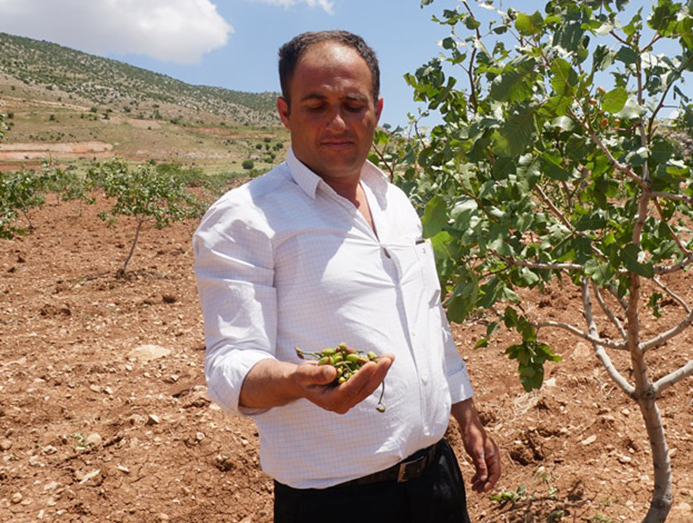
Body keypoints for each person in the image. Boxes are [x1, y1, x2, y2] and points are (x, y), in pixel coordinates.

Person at [193, 30, 501, 522]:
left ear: (376, 108)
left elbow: (427, 318)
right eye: (315, 105)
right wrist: (296, 381)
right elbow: (230, 363)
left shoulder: (395, 201)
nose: (338, 121)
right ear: (284, 111)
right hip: (336, 501)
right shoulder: (245, 218)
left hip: (437, 480)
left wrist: (466, 416)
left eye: (353, 104)